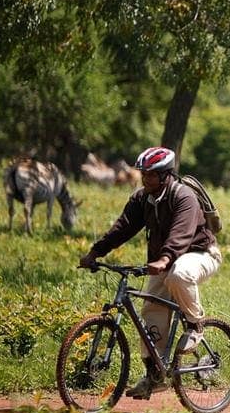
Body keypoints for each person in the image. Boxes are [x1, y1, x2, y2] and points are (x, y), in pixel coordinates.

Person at [79, 146, 222, 399]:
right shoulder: (141, 198)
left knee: (179, 274)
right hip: (164, 260)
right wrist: (95, 252)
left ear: (166, 174)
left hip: (201, 254)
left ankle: (196, 324)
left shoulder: (184, 196)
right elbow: (122, 228)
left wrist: (165, 257)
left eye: (152, 174)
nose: (146, 178)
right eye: (144, 173)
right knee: (150, 313)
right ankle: (154, 376)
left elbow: (182, 233)